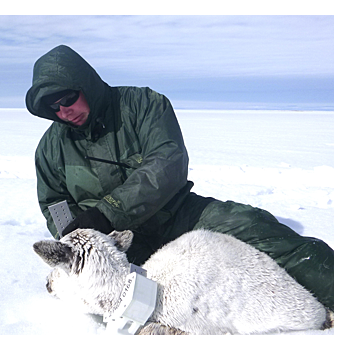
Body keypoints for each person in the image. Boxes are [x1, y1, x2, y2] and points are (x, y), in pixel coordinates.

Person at [25, 45, 339, 312]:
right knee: (135, 301)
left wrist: (106, 212)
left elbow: (168, 162)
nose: (64, 111)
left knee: (254, 227)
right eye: (53, 107)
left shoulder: (143, 105)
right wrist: (76, 240)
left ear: (86, 84)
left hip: (177, 214)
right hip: (114, 246)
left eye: (67, 98)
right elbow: (54, 200)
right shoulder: (51, 148)